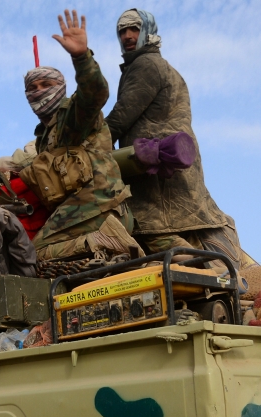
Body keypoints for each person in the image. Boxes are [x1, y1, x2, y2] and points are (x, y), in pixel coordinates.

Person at [105, 9, 252, 270]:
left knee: (149, 230)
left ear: (148, 31)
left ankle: (219, 273)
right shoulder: (161, 67)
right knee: (187, 230)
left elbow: (121, 117)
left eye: (134, 29)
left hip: (157, 171)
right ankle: (230, 269)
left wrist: (87, 145)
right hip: (171, 168)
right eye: (121, 31)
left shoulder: (145, 65)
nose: (127, 35)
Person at [22, 10, 141, 262]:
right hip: (82, 211)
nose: (38, 92)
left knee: (34, 255)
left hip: (98, 207)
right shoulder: (45, 136)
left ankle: (101, 240)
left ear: (61, 88)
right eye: (32, 88)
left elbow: (94, 93)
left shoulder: (73, 116)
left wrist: (81, 57)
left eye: (46, 85)